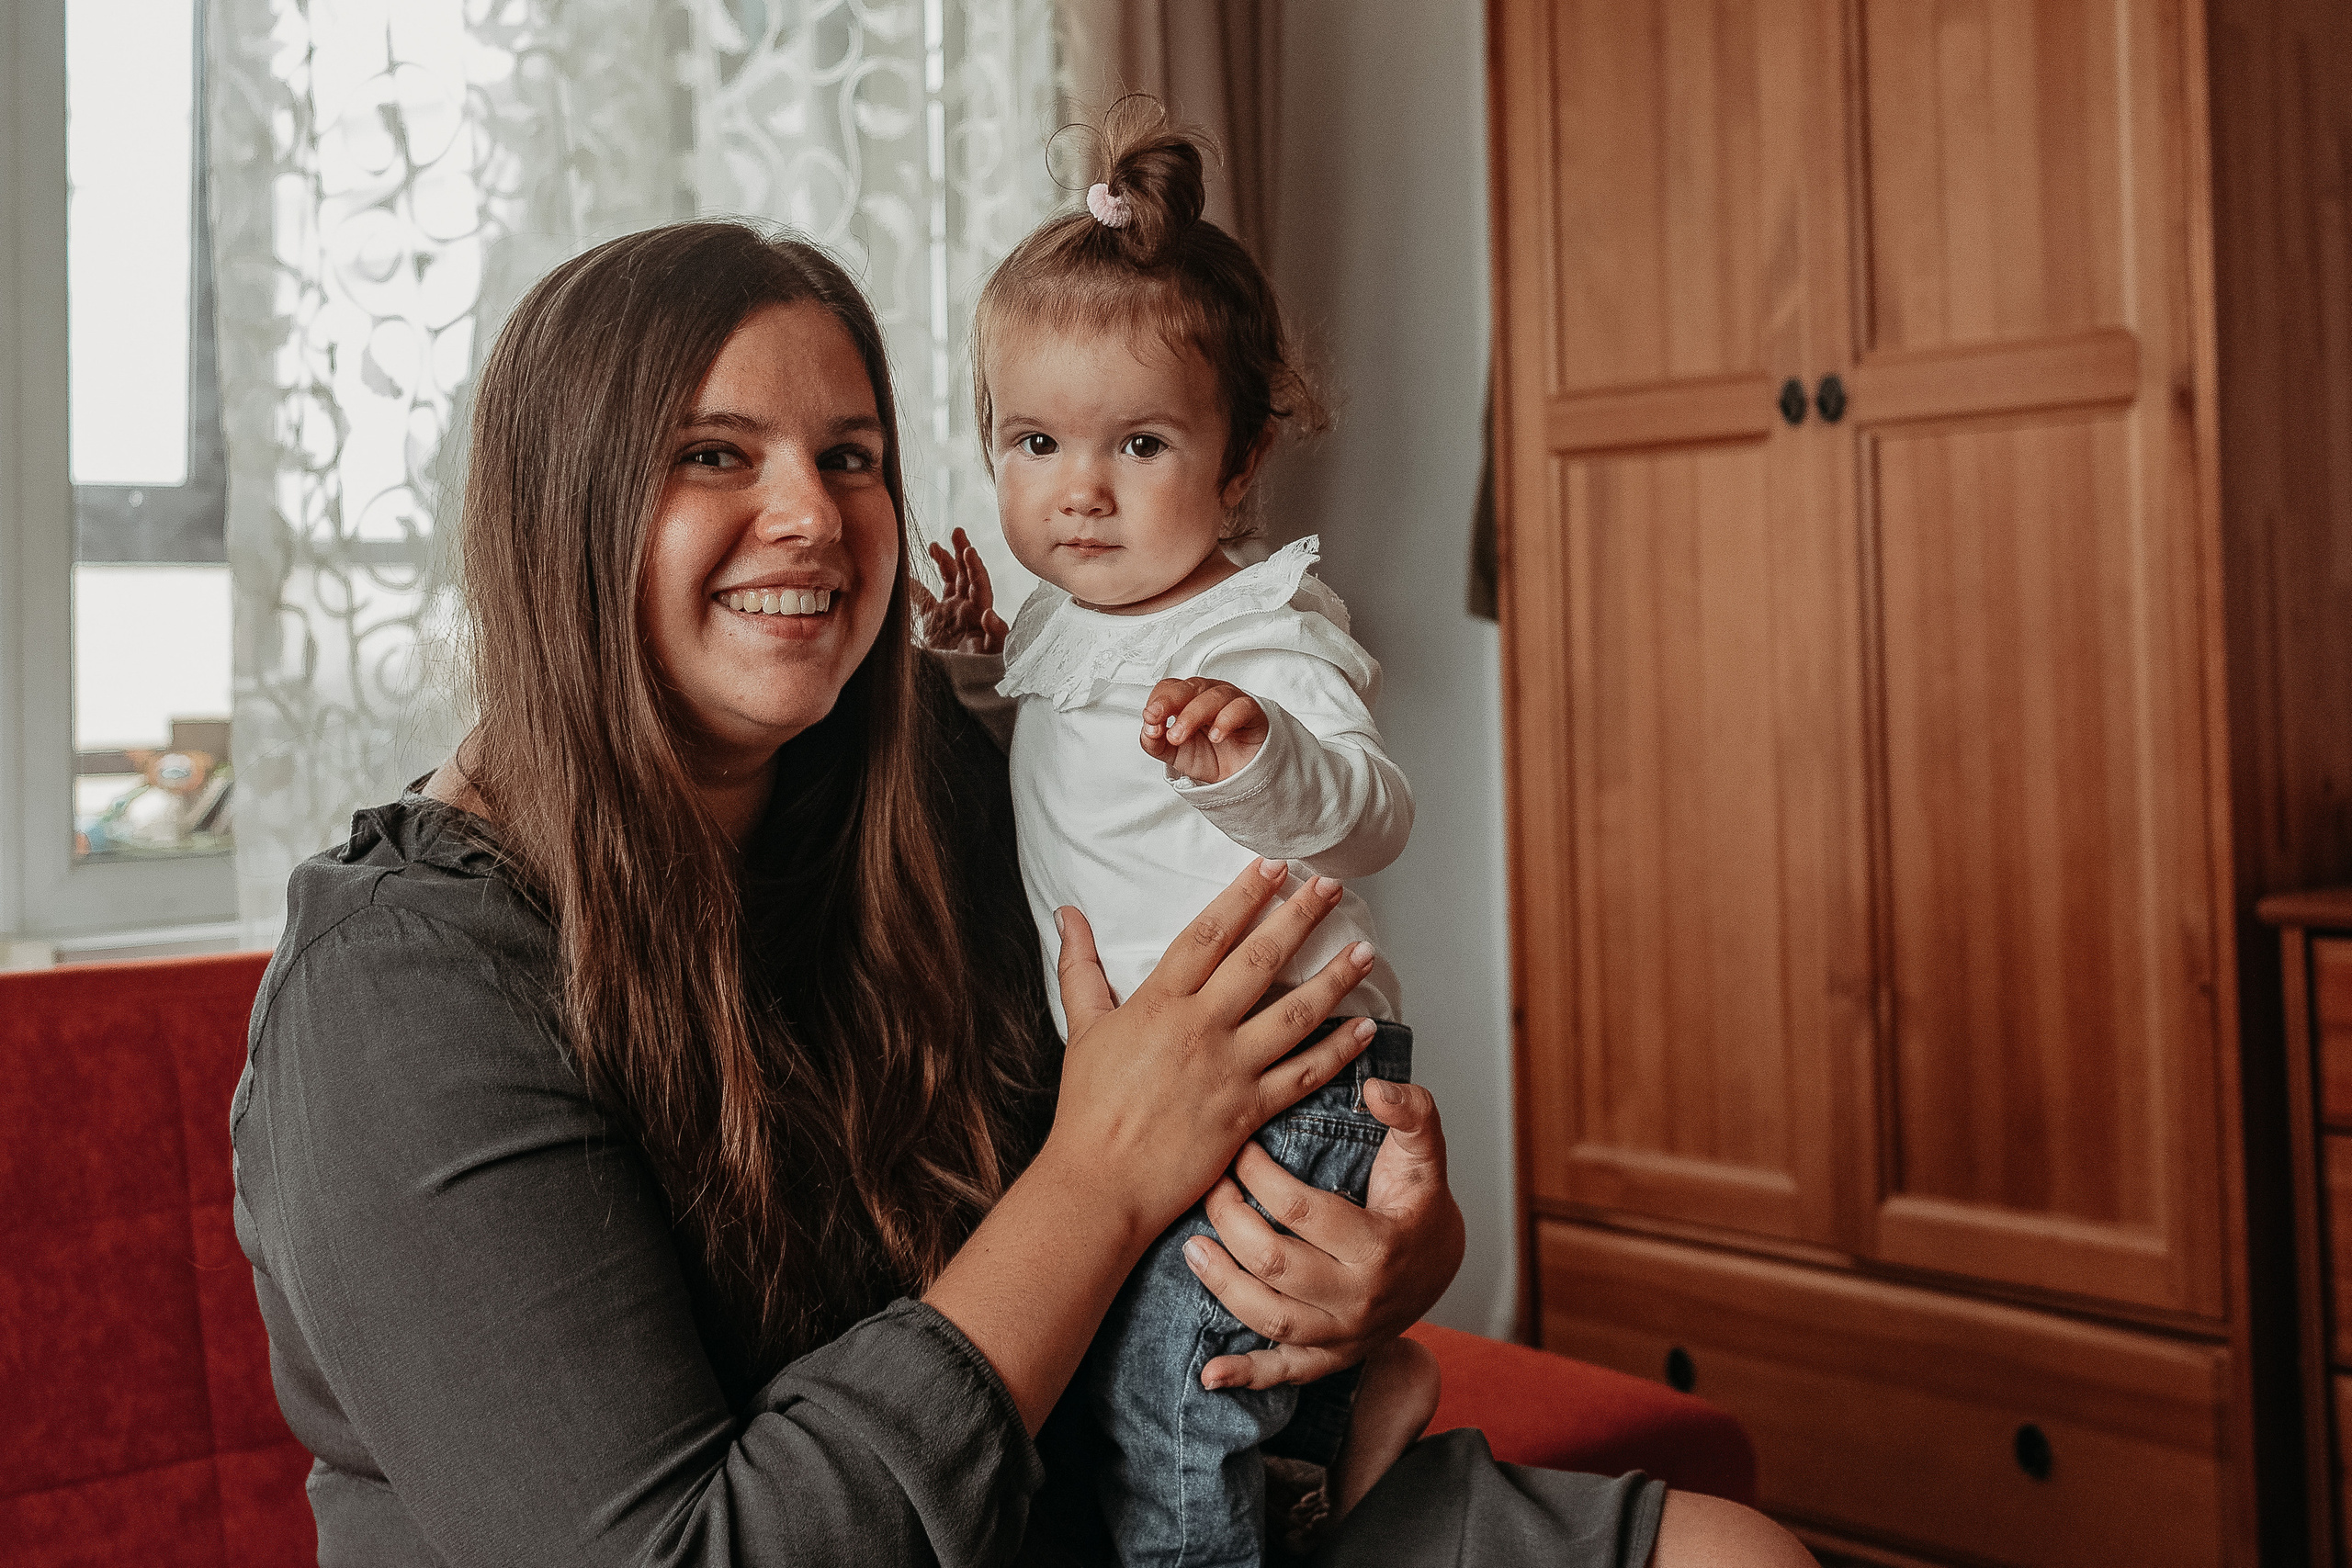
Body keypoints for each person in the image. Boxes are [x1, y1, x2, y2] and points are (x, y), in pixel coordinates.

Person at [231, 218, 1815, 1567]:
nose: (812, 517)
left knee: (1741, 1553)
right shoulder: (402, 990)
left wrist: (1393, 1257)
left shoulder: (930, 789)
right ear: (555, 513)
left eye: (851, 458)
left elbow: (1245, 1054)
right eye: (714, 454)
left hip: (1082, 1496)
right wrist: (1109, 1167)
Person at [918, 96, 1436, 1567]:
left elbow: (1373, 816)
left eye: (1139, 442)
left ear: (1244, 452)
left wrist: (1256, 756)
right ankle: (1351, 1415)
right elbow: (1067, 756)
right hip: (1161, 1095)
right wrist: (969, 658)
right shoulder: (1065, 622)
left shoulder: (1255, 630)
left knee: (1167, 1405)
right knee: (1138, 1367)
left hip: (1280, 1081)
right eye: (1034, 440)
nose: (1079, 488)